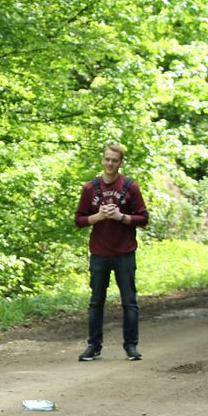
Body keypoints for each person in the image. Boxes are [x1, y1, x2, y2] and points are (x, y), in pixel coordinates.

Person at [74, 143, 149, 362]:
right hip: (99, 253)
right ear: (102, 160)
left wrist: (121, 217)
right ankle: (93, 346)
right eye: (107, 159)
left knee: (129, 302)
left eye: (114, 160)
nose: (110, 163)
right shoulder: (90, 188)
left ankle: (131, 346)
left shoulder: (130, 186)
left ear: (120, 162)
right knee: (96, 301)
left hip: (125, 252)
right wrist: (98, 216)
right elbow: (79, 220)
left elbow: (144, 218)